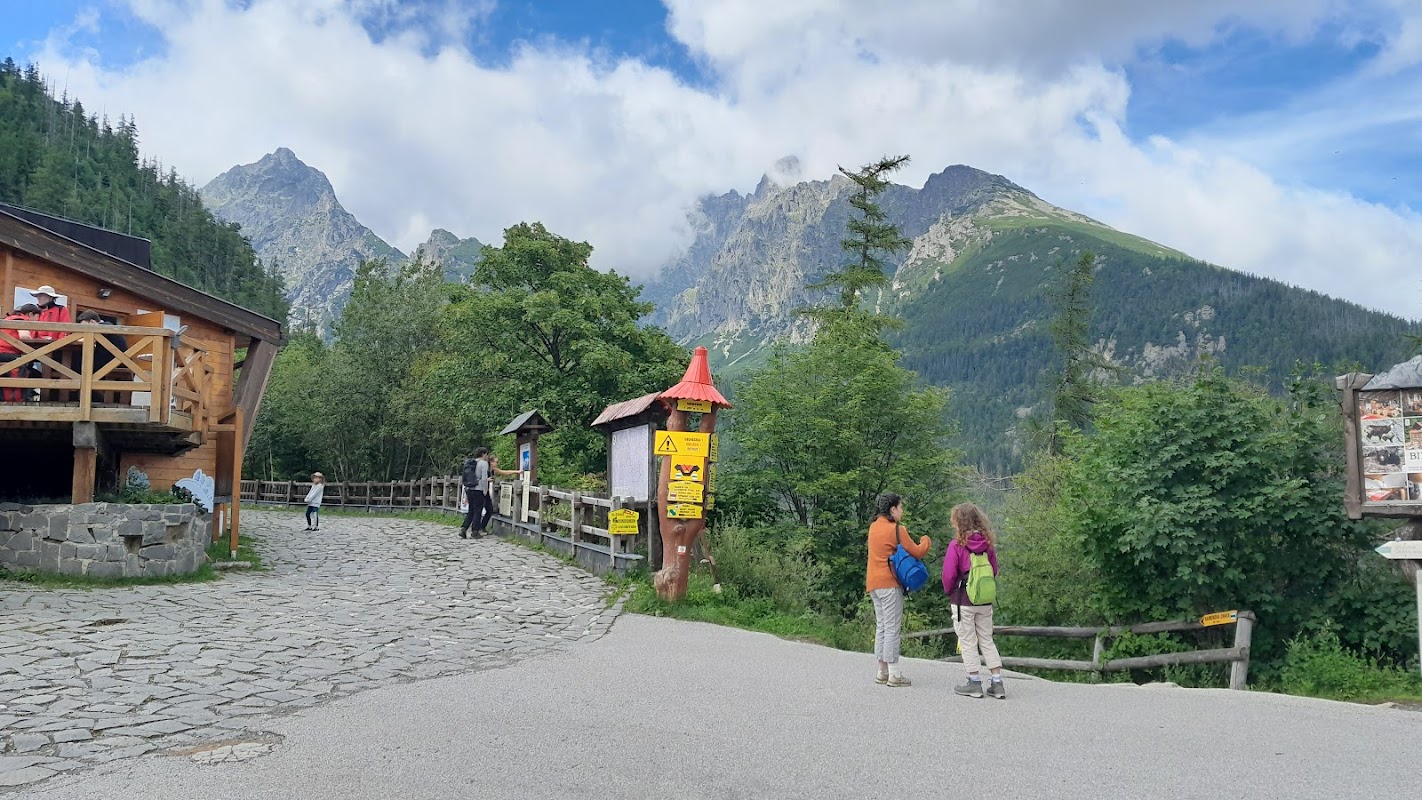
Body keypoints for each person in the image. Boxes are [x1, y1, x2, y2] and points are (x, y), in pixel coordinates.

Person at [865, 492, 931, 687]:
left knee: (882, 627)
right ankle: (894, 674)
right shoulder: (897, 530)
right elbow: (918, 551)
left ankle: (882, 671)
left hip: (873, 584)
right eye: (900, 507)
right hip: (890, 584)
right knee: (893, 628)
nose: (902, 510)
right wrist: (926, 539)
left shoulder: (873, 527)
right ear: (892, 509)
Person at [942, 502, 1004, 699]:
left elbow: (949, 575)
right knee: (987, 639)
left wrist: (950, 592)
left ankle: (974, 682)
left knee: (967, 640)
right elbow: (994, 570)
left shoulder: (957, 545)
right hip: (984, 601)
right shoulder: (988, 544)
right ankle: (997, 683)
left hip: (963, 600)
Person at [0, 308, 34, 402]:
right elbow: (24, 336)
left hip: (2, 353)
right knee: (29, 363)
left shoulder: (6, 319)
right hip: (9, 353)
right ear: (30, 314)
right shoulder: (21, 320)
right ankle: (24, 395)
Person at [459, 448, 492, 539]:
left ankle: (464, 528)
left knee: (471, 510)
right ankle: (475, 531)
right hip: (479, 489)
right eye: (486, 454)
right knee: (478, 510)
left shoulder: (471, 462)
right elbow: (484, 478)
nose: (487, 456)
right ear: (483, 454)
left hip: (470, 489)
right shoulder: (484, 463)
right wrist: (485, 491)